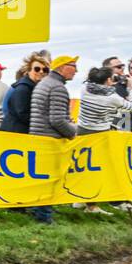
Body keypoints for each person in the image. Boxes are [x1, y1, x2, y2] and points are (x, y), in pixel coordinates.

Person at [28, 55, 79, 225]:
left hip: (39, 137)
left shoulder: (44, 83)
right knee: (50, 179)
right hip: (50, 139)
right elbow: (57, 120)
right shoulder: (57, 88)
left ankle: (40, 210)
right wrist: (73, 132)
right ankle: (44, 217)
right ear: (63, 67)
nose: (76, 70)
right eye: (73, 65)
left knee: (41, 180)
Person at [1, 51, 51, 134]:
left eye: (45, 70)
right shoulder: (23, 88)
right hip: (15, 133)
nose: (41, 72)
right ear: (28, 70)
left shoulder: (32, 87)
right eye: (37, 69)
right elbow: (22, 114)